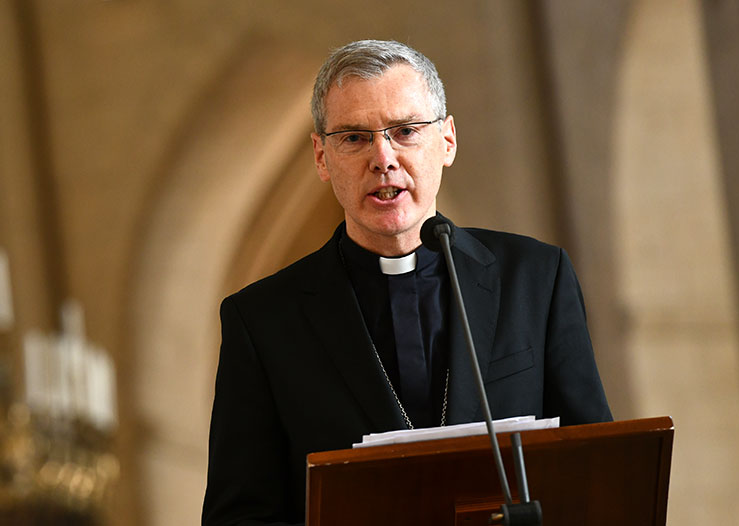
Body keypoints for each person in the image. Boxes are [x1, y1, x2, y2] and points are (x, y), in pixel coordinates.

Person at [201, 40, 612, 526]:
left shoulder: (536, 278)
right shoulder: (263, 320)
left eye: (406, 131)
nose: (383, 158)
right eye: (354, 138)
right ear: (321, 156)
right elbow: (238, 516)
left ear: (447, 140)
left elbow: (598, 470)